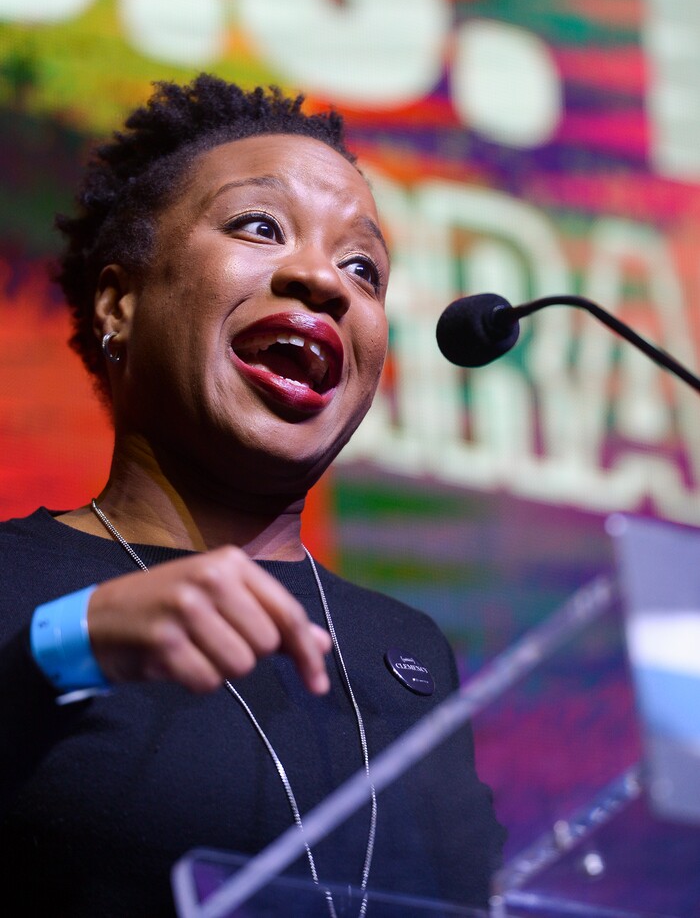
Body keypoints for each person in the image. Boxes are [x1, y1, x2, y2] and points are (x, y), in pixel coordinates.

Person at [0, 75, 505, 916]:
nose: (325, 281)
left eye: (362, 268)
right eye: (260, 227)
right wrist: (67, 644)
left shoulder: (406, 653)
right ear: (119, 302)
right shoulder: (17, 587)